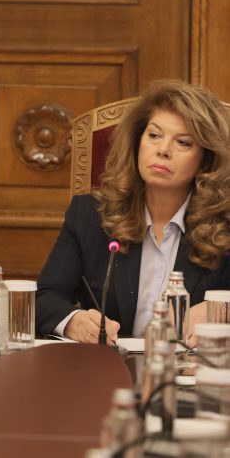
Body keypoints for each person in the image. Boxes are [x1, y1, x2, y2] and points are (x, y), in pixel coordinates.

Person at [36, 79, 230, 343]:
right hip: (110, 364)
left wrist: (223, 310)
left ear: (205, 159)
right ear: (138, 142)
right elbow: (46, 297)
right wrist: (75, 322)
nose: (163, 150)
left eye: (183, 142)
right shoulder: (90, 215)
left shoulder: (224, 221)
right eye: (154, 135)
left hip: (196, 366)